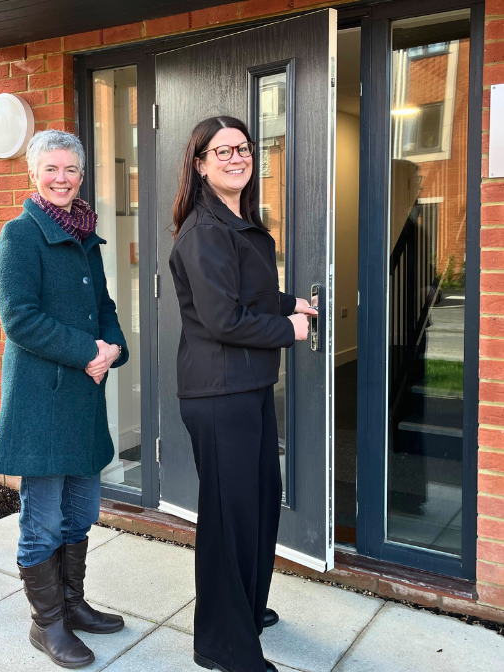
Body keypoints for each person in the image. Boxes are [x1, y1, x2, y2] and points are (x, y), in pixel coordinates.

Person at [168, 117, 315, 672]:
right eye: (223, 150)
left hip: (248, 387)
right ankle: (222, 645)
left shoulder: (235, 221)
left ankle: (246, 610)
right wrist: (292, 332)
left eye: (245, 148)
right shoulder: (203, 230)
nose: (237, 157)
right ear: (201, 163)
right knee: (229, 519)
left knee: (256, 508)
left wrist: (288, 305)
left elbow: (247, 295)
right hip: (217, 392)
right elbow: (224, 319)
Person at [0, 129, 130, 669]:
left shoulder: (86, 235)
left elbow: (104, 303)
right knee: (42, 519)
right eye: (52, 168)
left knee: (82, 511)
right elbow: (19, 319)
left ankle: (72, 604)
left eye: (71, 169)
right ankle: (46, 624)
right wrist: (87, 351)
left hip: (84, 396)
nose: (62, 178)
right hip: (42, 402)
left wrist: (112, 347)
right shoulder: (19, 235)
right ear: (34, 173)